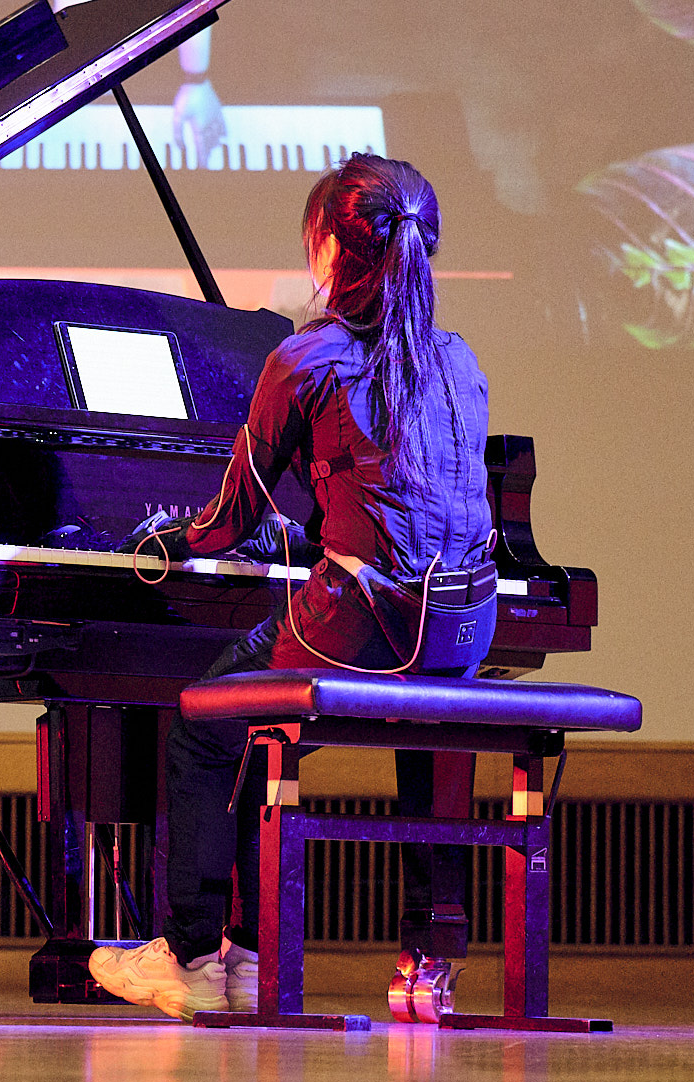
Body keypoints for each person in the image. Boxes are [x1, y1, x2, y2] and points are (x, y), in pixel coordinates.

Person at [90, 153, 496, 1018]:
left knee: (206, 718)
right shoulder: (460, 362)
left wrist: (169, 540)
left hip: (370, 625)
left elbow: (228, 517)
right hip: (464, 626)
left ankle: (196, 953)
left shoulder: (308, 355)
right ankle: (424, 965)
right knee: (333, 722)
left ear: (331, 253)